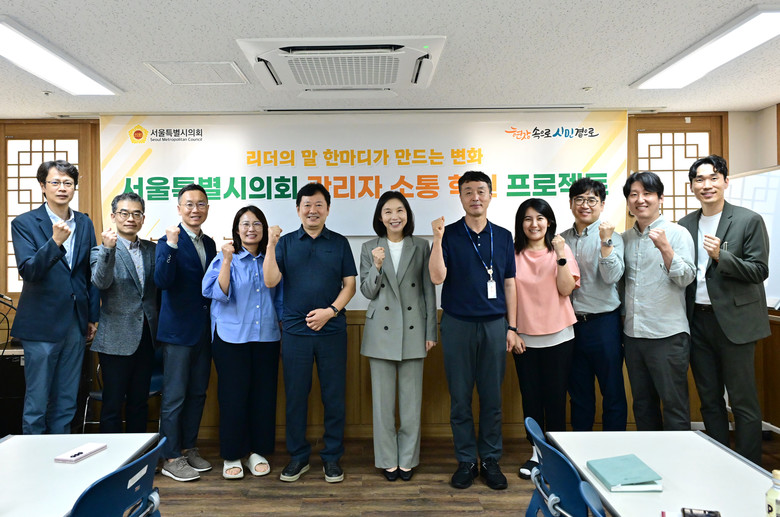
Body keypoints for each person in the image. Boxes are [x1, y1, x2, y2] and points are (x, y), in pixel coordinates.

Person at [429, 170, 519, 491]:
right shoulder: (449, 234)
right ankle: (466, 460)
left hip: (495, 325)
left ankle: (491, 459)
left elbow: (510, 284)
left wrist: (512, 326)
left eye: (481, 191)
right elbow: (437, 277)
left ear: (490, 195)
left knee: (492, 397)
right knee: (460, 397)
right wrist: (436, 239)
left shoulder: (503, 236)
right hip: (457, 325)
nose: (475, 197)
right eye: (468, 192)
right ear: (461, 197)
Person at [679, 155, 770, 465]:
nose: (707, 185)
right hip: (697, 321)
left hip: (736, 323)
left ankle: (751, 467)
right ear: (692, 186)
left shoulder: (748, 220)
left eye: (713, 178)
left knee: (743, 401)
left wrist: (721, 256)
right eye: (699, 179)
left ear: (725, 182)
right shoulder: (685, 225)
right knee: (709, 399)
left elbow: (759, 270)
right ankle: (720, 463)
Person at [264, 183, 357, 484]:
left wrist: (331, 311)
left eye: (318, 205)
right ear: (298, 209)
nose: (312, 210)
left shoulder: (339, 243)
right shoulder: (286, 243)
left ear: (327, 209)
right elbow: (270, 280)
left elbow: (350, 285)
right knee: (295, 397)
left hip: (332, 330)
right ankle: (298, 457)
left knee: (334, 396)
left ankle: (332, 458)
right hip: (295, 331)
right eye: (307, 205)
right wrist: (270, 244)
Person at [11, 160, 99, 434]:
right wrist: (55, 242)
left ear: (74, 187)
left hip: (75, 322)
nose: (62, 188)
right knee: (37, 401)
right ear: (42, 186)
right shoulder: (24, 223)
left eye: (68, 183)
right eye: (55, 182)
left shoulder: (84, 222)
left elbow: (89, 272)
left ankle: (60, 452)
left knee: (66, 400)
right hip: (40, 324)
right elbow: (29, 271)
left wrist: (91, 316)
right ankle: (34, 454)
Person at [359, 191, 437, 482]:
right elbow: (367, 291)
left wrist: (431, 331)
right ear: (380, 217)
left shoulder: (421, 246)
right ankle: (387, 460)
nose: (395, 216)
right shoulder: (369, 247)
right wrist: (377, 266)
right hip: (380, 331)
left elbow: (428, 290)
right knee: (382, 405)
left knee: (410, 403)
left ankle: (407, 459)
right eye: (388, 211)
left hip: (414, 330)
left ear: (407, 215)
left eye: (400, 210)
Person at [202, 206, 283, 479]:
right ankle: (232, 454)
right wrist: (226, 261)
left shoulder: (272, 257)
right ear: (237, 229)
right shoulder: (225, 257)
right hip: (231, 338)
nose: (251, 229)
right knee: (233, 397)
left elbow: (279, 295)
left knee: (263, 396)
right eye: (245, 224)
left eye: (257, 224)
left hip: (266, 336)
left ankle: (257, 452)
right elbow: (216, 293)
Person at [622, 171, 696, 431]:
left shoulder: (677, 233)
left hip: (668, 335)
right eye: (634, 194)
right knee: (642, 405)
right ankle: (649, 455)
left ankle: (678, 457)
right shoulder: (624, 238)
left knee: (674, 406)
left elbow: (686, 278)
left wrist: (665, 248)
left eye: (647, 193)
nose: (640, 199)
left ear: (660, 198)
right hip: (633, 335)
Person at [513, 198, 580, 479]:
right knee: (531, 398)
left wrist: (561, 254)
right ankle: (536, 453)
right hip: (524, 338)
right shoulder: (512, 253)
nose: (534, 224)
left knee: (555, 398)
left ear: (549, 222)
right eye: (528, 219)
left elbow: (566, 289)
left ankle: (555, 456)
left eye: (540, 218)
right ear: (521, 224)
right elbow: (507, 294)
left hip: (559, 336)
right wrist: (512, 330)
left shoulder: (561, 250)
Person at [155, 184, 217, 482]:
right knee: (175, 397)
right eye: (189, 204)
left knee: (197, 393)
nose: (195, 209)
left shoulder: (210, 243)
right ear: (179, 208)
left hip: (204, 331)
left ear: (207, 208)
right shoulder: (167, 242)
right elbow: (162, 281)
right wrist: (170, 245)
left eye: (201, 204)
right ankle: (169, 456)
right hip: (177, 333)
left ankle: (189, 447)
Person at [561, 178, 627, 432]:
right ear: (570, 203)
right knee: (578, 393)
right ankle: (580, 448)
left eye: (592, 200)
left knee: (612, 391)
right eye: (579, 199)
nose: (585, 205)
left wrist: (605, 241)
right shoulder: (561, 240)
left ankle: (614, 448)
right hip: (570, 325)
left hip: (604, 324)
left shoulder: (613, 238)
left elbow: (612, 277)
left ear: (602, 204)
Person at [90, 192, 157, 433]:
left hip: (147, 337)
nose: (130, 218)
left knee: (139, 403)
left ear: (143, 218)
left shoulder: (152, 249)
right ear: (113, 216)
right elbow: (100, 282)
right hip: (115, 340)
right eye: (124, 213)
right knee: (112, 404)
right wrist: (108, 250)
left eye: (136, 213)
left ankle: (138, 453)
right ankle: (112, 454)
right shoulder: (100, 251)